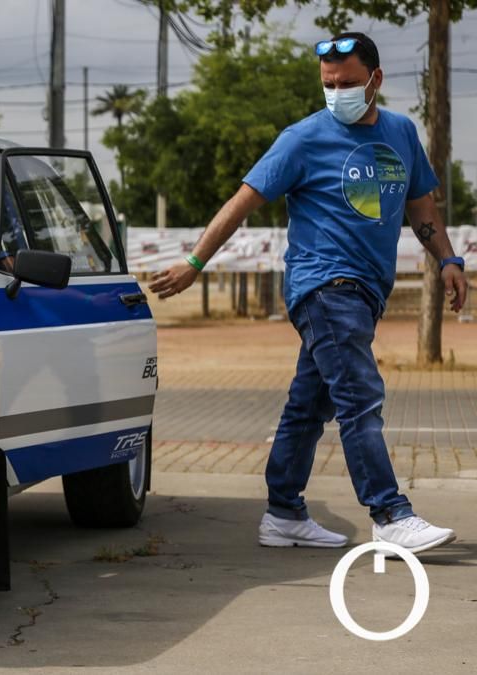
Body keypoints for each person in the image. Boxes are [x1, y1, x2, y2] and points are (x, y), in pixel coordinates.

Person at [148, 32, 468, 554]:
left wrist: (448, 259)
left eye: (346, 83)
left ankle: (283, 513)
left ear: (376, 80)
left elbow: (422, 207)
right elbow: (242, 201)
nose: (336, 92)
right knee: (360, 398)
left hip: (366, 291)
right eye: (328, 84)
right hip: (323, 285)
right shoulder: (302, 138)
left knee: (309, 403)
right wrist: (194, 263)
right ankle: (390, 514)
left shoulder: (401, 134)